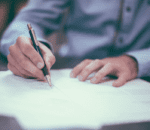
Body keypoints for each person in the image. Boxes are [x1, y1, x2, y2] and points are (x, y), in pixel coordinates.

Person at [0, 0, 150, 87]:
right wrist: (26, 46)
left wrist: (135, 62)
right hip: (73, 72)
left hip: (141, 78)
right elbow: (26, 21)